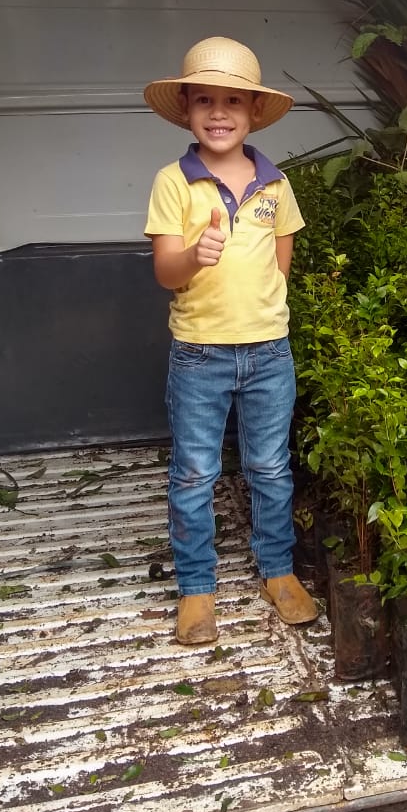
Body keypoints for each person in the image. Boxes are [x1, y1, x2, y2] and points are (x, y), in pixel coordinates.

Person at [143, 36, 317, 644]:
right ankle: (196, 588)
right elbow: (167, 272)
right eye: (206, 101)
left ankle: (279, 571)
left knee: (270, 467)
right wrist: (195, 255)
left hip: (269, 351)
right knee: (194, 473)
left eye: (233, 102)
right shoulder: (173, 181)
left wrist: (259, 315)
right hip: (199, 353)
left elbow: (280, 263)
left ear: (253, 113)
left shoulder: (275, 184)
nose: (219, 113)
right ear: (187, 109)